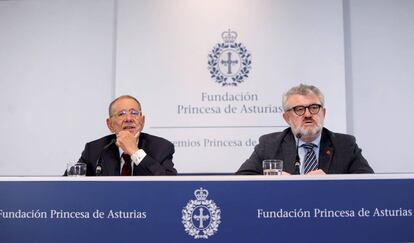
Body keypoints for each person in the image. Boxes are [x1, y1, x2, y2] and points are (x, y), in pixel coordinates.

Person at [236, 84, 374, 175]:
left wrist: (332, 183)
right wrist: (272, 182)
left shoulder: (345, 145)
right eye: (299, 109)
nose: (308, 114)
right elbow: (241, 180)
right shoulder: (269, 144)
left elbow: (369, 184)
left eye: (314, 107)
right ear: (286, 118)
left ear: (323, 113)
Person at [77, 95, 177, 176]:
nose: (128, 118)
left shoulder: (161, 147)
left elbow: (170, 185)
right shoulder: (94, 150)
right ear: (110, 124)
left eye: (134, 113)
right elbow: (70, 185)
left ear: (142, 121)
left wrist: (135, 152)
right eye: (121, 114)